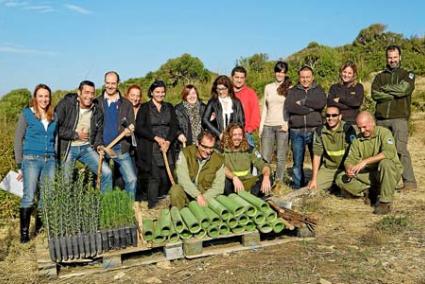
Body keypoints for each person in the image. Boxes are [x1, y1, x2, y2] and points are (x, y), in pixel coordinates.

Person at [336, 111, 403, 215]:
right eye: (359, 128)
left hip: (388, 172)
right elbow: (349, 160)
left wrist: (365, 161)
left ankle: (385, 202)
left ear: (372, 123)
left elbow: (389, 152)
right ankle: (369, 191)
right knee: (341, 178)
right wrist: (349, 169)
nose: (362, 130)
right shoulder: (357, 140)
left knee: (386, 163)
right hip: (370, 174)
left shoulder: (384, 133)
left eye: (364, 127)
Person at [14, 84, 57, 243]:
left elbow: (56, 139)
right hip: (31, 160)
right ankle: (24, 234)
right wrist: (20, 165)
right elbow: (18, 140)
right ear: (35, 97)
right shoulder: (27, 114)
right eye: (41, 96)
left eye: (46, 96)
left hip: (50, 160)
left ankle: (39, 229)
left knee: (47, 196)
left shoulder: (54, 115)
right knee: (29, 196)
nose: (44, 99)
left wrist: (55, 157)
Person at [371, 45, 416, 190]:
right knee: (380, 152)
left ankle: (409, 183)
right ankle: (382, 183)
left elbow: (404, 89)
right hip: (381, 119)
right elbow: (375, 94)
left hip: (399, 118)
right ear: (386, 58)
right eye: (390, 57)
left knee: (400, 150)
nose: (392, 60)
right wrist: (394, 93)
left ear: (400, 57)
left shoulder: (407, 74)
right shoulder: (379, 76)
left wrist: (385, 89)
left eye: (395, 57)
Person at [56, 80, 113, 191]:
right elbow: (55, 128)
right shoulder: (66, 105)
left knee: (107, 173)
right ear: (79, 92)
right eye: (86, 92)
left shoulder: (97, 111)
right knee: (66, 181)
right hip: (68, 148)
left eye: (92, 93)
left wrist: (99, 146)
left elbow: (98, 135)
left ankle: (106, 206)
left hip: (87, 148)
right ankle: (65, 207)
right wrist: (75, 135)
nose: (89, 96)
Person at [135, 80, 178, 208]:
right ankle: (152, 205)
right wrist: (156, 138)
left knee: (168, 175)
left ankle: (168, 203)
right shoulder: (144, 108)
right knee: (154, 177)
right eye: (157, 92)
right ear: (152, 93)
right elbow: (139, 128)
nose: (160, 94)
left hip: (167, 147)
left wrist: (168, 141)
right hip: (151, 147)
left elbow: (174, 126)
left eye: (162, 92)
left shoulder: (169, 107)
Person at [97, 71, 137, 199]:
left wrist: (130, 130)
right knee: (105, 178)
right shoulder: (97, 102)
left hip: (120, 147)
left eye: (113, 83)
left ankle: (127, 209)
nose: (110, 86)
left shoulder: (126, 104)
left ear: (118, 84)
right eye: (107, 83)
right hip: (102, 147)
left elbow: (131, 124)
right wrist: (97, 145)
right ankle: (105, 209)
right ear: (104, 83)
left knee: (131, 179)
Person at [285, 66, 327, 189]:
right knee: (297, 162)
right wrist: (310, 109)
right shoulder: (293, 91)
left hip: (314, 130)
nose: (305, 80)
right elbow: (290, 107)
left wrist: (303, 103)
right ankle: (298, 187)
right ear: (299, 77)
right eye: (302, 77)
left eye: (308, 77)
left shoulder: (318, 90)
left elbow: (321, 103)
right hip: (296, 131)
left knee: (317, 159)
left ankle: (317, 185)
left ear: (312, 77)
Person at [169, 130, 225, 209]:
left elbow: (218, 187)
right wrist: (197, 195)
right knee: (175, 190)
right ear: (197, 143)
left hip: (206, 196)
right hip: (188, 194)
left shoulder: (218, 159)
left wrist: (203, 198)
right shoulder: (185, 153)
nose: (208, 151)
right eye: (205, 147)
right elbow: (182, 179)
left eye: (211, 148)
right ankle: (178, 216)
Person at [308, 106, 356, 192]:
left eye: (334, 115)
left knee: (347, 188)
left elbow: (354, 153)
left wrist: (349, 169)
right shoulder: (319, 131)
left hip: (345, 168)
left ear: (340, 116)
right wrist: (314, 179)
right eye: (328, 115)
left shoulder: (348, 129)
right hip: (329, 168)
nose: (330, 118)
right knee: (312, 189)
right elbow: (317, 155)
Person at [259, 61, 291, 182]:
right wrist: (261, 126)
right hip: (268, 126)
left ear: (285, 73)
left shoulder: (289, 87)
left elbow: (290, 108)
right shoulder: (268, 87)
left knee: (280, 157)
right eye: (278, 71)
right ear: (275, 72)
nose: (280, 74)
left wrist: (287, 124)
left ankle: (278, 182)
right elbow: (265, 108)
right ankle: (264, 181)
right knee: (265, 157)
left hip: (282, 126)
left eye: (282, 72)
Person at [222, 123, 272, 197]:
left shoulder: (249, 149)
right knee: (224, 182)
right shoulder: (222, 150)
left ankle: (253, 197)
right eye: (234, 135)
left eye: (240, 135)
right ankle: (234, 199)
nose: (237, 137)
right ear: (229, 135)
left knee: (268, 177)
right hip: (232, 182)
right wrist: (234, 178)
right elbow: (221, 167)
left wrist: (266, 176)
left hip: (248, 182)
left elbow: (263, 164)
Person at [202, 75, 245, 142]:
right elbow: (205, 120)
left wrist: (234, 134)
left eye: (223, 89)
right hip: (217, 139)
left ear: (229, 88)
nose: (221, 92)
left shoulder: (236, 102)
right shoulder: (213, 102)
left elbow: (241, 122)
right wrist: (219, 134)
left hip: (234, 140)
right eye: (218, 89)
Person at [231, 66, 260, 148]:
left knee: (247, 159)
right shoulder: (227, 92)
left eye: (242, 78)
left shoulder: (251, 93)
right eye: (237, 77)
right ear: (232, 77)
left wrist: (250, 129)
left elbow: (256, 113)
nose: (239, 80)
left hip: (245, 133)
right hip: (228, 134)